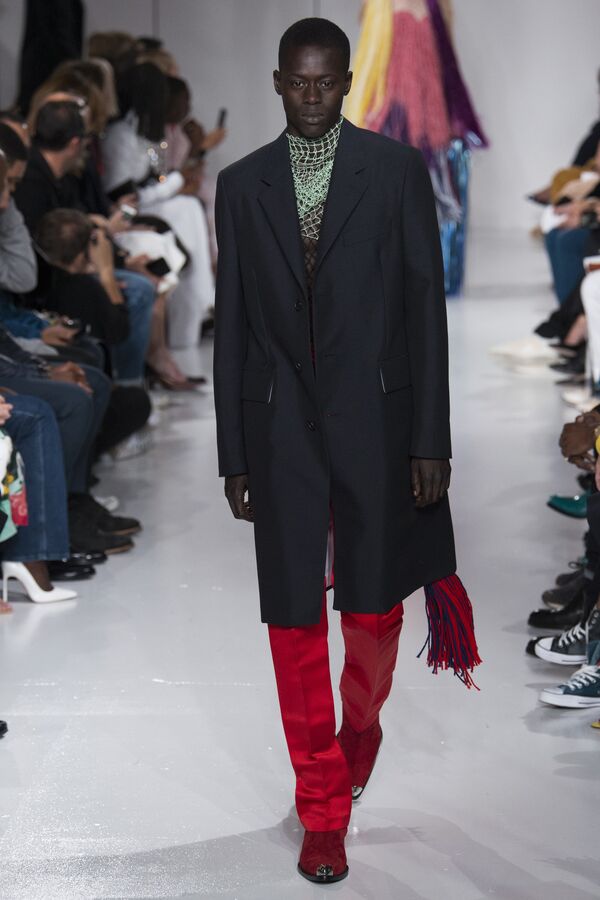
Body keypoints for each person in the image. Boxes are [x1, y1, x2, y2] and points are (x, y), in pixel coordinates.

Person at [213, 17, 478, 885]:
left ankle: (359, 730)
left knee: (371, 618)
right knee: (293, 626)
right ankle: (321, 809)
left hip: (378, 425)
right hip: (280, 429)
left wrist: (431, 437)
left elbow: (425, 312)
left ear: (348, 81)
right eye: (299, 82)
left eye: (327, 82)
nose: (313, 96)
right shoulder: (241, 184)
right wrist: (233, 453)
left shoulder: (395, 172)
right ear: (277, 82)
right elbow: (233, 327)